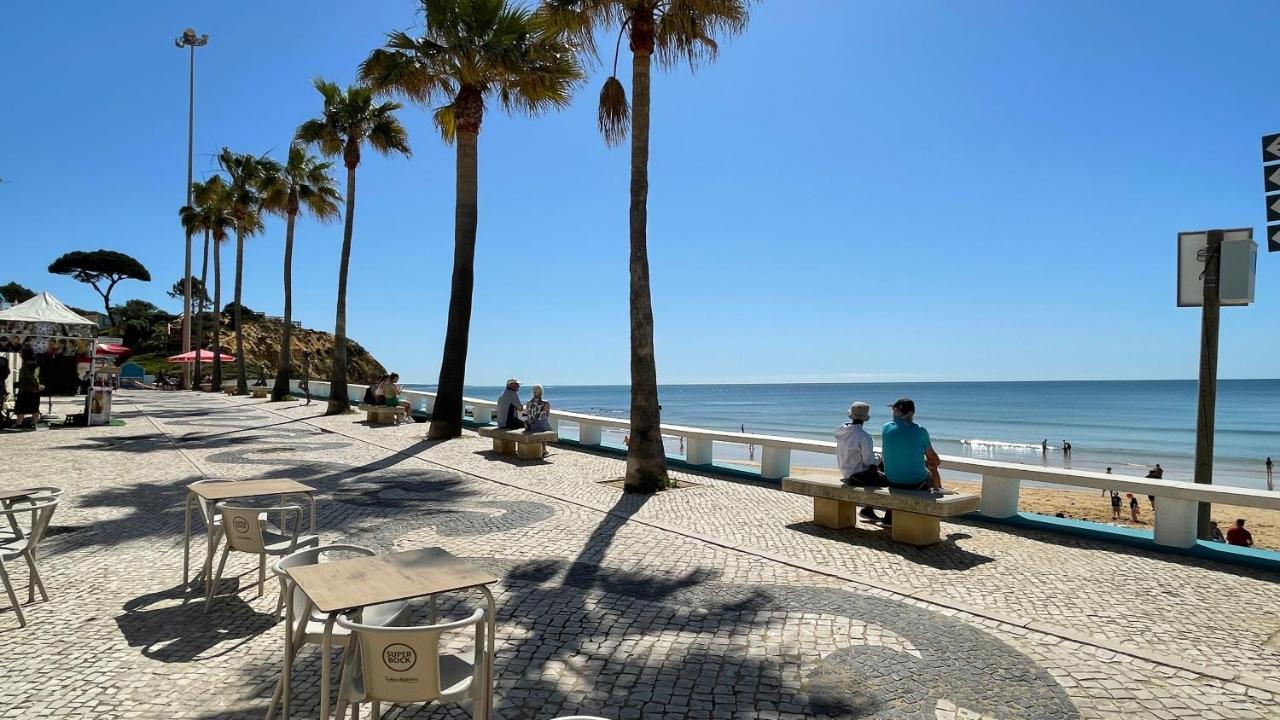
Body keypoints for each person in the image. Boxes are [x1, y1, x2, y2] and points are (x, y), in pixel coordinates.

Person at [835, 401, 886, 521]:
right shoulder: (863, 436)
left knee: (876, 470)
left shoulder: (842, 432)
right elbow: (869, 461)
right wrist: (879, 458)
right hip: (858, 475)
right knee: (890, 479)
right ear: (865, 419)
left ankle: (869, 509)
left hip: (845, 470)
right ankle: (886, 513)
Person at [14, 350, 41, 428]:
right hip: (31, 389)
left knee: (22, 407)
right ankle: (34, 424)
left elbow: (31, 376)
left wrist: (38, 384)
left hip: (27, 389)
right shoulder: (33, 362)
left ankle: (19, 424)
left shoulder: (28, 363)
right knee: (34, 408)